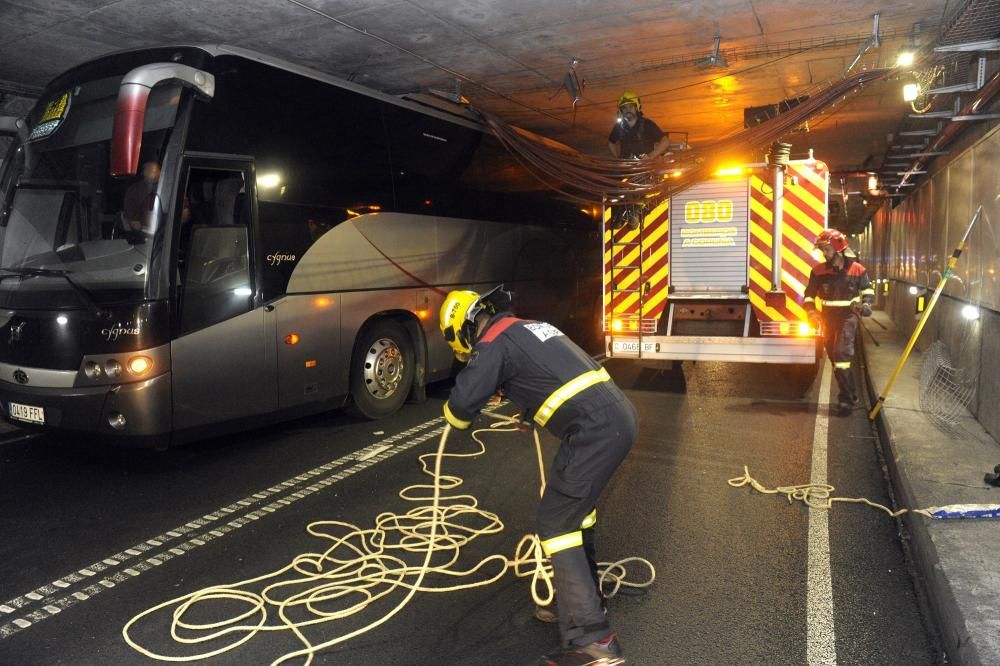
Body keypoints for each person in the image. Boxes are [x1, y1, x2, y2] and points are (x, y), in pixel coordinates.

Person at [439, 286, 636, 666]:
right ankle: (584, 602)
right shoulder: (528, 326)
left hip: (593, 430)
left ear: (463, 331)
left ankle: (592, 641)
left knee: (555, 522)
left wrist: (460, 406)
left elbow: (460, 409)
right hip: (613, 418)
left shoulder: (492, 340)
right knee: (577, 515)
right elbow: (551, 372)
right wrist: (529, 412)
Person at [803, 229, 875, 413]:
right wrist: (811, 313)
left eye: (826, 249)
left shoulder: (857, 270)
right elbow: (809, 296)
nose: (823, 254)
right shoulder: (818, 271)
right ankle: (851, 394)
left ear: (838, 249)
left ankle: (846, 401)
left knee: (842, 353)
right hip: (828, 319)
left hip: (848, 317)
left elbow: (867, 291)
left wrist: (866, 305)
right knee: (836, 359)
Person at [607, 92, 670, 160]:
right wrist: (618, 157)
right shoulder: (619, 126)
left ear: (636, 108)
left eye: (631, 106)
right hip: (626, 167)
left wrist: (650, 156)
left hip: (644, 168)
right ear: (621, 111)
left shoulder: (647, 124)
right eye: (624, 108)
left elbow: (665, 141)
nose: (628, 110)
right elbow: (611, 142)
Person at [122, 160, 161, 235]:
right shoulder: (135, 191)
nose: (156, 173)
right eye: (152, 170)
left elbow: (183, 213)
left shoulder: (168, 187)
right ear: (144, 173)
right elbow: (133, 221)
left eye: (158, 170)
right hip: (143, 237)